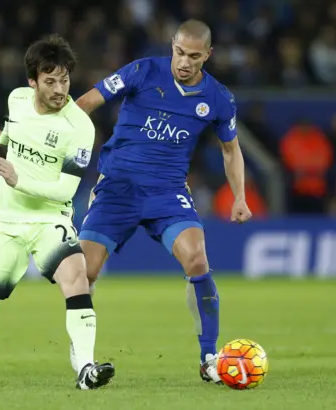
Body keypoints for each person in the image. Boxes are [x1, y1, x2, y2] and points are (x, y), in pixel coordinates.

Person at [74, 20, 252, 383]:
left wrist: (240, 197)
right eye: (180, 52)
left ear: (208, 55)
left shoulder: (218, 98)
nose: (184, 62)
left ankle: (208, 358)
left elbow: (230, 150)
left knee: (198, 259)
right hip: (117, 190)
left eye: (194, 56)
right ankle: (84, 363)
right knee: (84, 273)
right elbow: (84, 104)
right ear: (172, 45)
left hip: (167, 193)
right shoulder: (142, 70)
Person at [0, 34, 115, 390]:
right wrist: (2, 138)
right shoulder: (16, 99)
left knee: (77, 278)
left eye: (64, 79)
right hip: (5, 218)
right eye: (50, 81)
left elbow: (66, 189)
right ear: (32, 82)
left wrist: (18, 180)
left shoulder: (79, 126)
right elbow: (23, 135)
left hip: (51, 217)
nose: (59, 88)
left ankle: (86, 369)